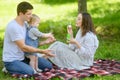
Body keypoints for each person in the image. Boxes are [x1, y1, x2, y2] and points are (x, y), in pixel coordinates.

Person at [2, 1, 55, 75]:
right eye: (28, 14)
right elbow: (24, 47)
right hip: (12, 61)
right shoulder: (13, 27)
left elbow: (30, 44)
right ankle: (8, 68)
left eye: (31, 13)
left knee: (47, 66)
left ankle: (23, 67)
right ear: (20, 14)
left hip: (24, 56)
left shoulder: (26, 24)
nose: (31, 16)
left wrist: (45, 42)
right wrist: (42, 51)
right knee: (30, 72)